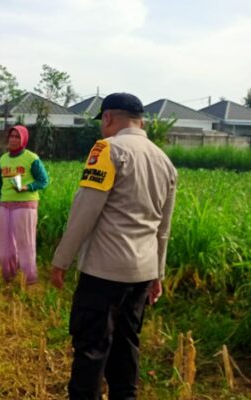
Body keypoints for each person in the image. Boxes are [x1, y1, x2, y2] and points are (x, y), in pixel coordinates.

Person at [50, 93, 177, 399]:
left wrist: (61, 260)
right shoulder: (165, 161)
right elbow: (163, 229)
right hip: (141, 273)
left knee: (92, 348)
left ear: (107, 118)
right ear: (142, 121)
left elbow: (85, 212)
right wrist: (157, 274)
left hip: (104, 272)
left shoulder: (107, 150)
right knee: (126, 346)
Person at [0, 125, 49, 284]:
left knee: (25, 244)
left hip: (25, 205)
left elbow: (43, 181)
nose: (13, 139)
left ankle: (29, 280)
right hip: (5, 204)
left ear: (24, 139)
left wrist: (27, 187)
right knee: (4, 246)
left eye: (17, 137)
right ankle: (8, 277)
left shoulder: (31, 158)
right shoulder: (3, 160)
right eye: (11, 136)